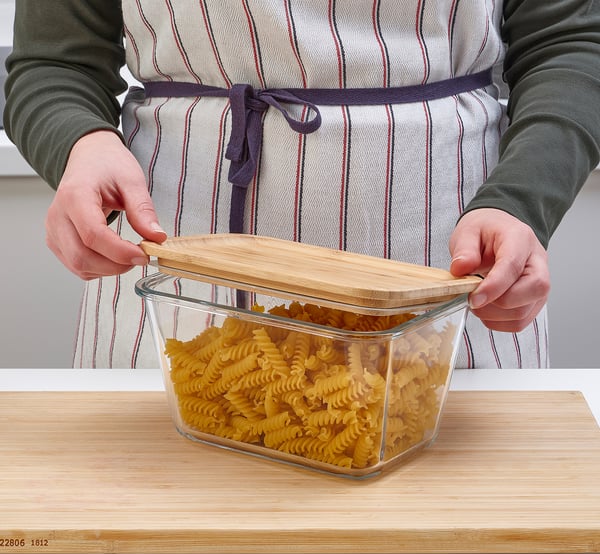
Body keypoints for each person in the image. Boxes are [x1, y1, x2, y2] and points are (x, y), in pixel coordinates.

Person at [3, 1, 600, 369]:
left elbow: (570, 46)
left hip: (447, 263)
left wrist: (520, 202)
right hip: (173, 259)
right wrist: (81, 144)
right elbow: (54, 63)